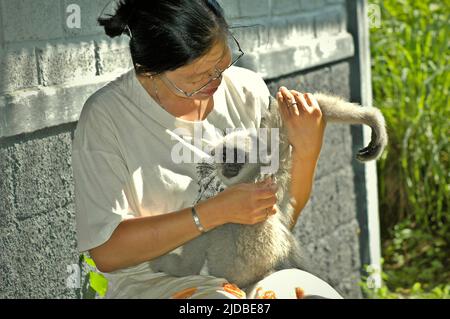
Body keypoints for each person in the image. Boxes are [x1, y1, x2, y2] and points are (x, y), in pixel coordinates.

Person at [72, 0, 342, 299]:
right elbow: (108, 252)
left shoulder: (247, 91)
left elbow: (280, 222)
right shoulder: (108, 117)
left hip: (252, 277)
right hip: (159, 286)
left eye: (222, 63)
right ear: (149, 71)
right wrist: (211, 214)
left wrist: (307, 150)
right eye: (196, 78)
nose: (216, 81)